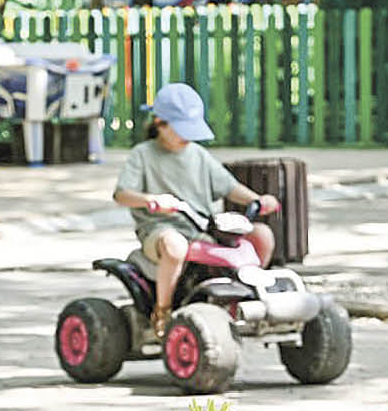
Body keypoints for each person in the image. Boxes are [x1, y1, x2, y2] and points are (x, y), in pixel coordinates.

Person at [112, 83, 280, 337]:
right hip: (160, 230)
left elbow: (229, 187)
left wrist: (257, 199)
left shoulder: (198, 155)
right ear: (160, 122)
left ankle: (247, 298)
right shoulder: (143, 154)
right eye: (180, 129)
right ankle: (162, 311)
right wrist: (151, 200)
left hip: (201, 228)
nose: (186, 136)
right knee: (175, 245)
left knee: (261, 236)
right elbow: (122, 194)